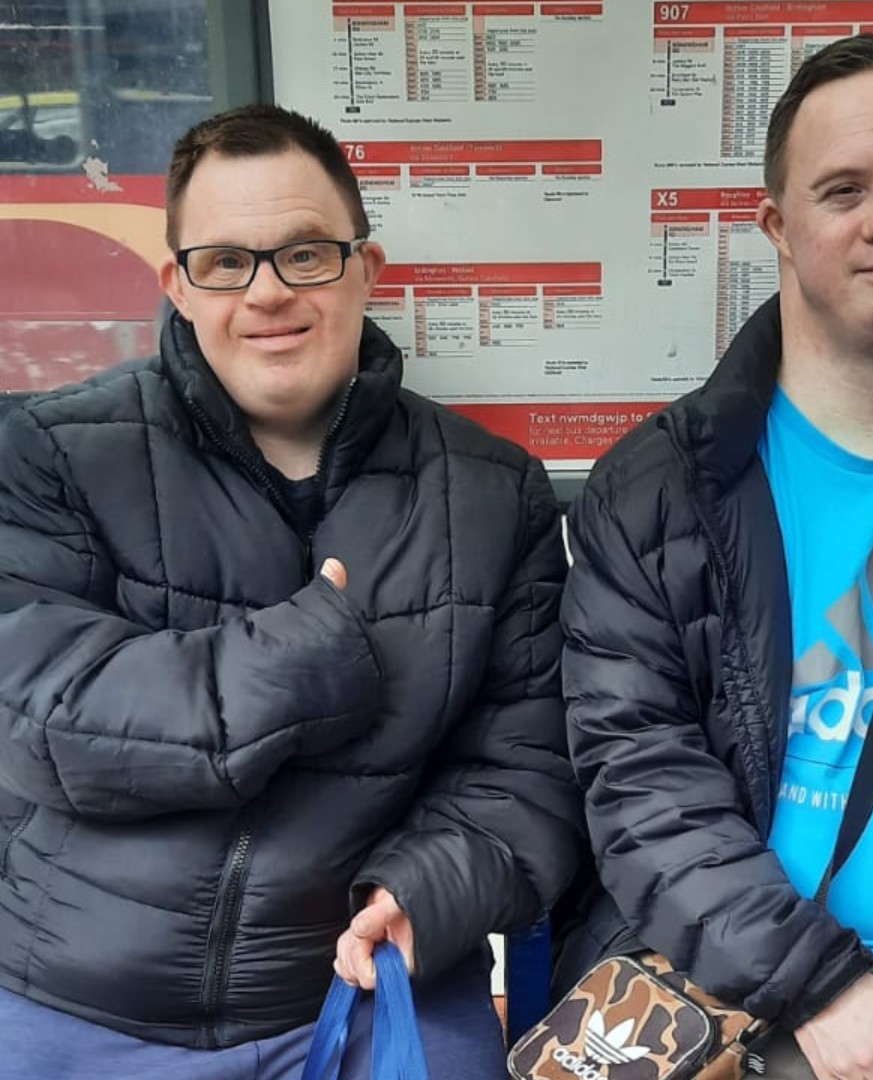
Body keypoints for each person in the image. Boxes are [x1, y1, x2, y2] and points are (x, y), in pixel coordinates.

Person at [0, 103, 582, 1080]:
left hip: (363, 983)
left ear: (368, 269)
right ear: (178, 286)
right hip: (80, 992)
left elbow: (530, 769)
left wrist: (425, 889)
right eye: (226, 262)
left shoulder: (493, 490)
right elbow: (38, 719)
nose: (267, 293)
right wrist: (295, 663)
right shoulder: (51, 452)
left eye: (308, 253)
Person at [559, 33, 873, 1080]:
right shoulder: (660, 489)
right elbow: (640, 777)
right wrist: (814, 983)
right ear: (778, 227)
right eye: (842, 189)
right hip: (760, 1003)